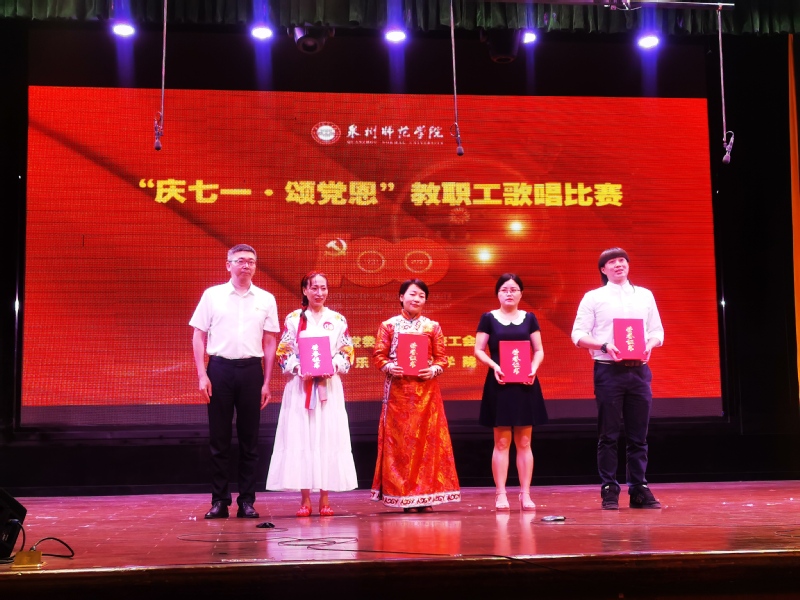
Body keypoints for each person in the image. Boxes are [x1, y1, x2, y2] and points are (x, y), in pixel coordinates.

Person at [190, 244, 279, 519]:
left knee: (249, 440)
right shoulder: (212, 295)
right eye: (240, 260)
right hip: (219, 369)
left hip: (251, 371)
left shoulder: (266, 298)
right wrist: (202, 374)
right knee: (219, 439)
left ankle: (247, 501)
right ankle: (219, 501)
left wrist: (266, 381)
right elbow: (198, 335)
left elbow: (270, 341)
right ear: (228, 265)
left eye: (251, 261)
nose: (246, 265)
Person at [571, 248, 664, 510]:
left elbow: (657, 331)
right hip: (608, 371)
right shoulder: (593, 297)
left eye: (622, 260)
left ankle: (639, 488)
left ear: (628, 265)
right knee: (608, 434)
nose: (618, 265)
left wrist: (649, 345)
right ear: (604, 270)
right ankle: (609, 489)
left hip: (639, 371)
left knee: (638, 436)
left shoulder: (645, 295)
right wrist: (604, 345)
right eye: (611, 262)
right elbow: (578, 335)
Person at [266, 272, 358, 517]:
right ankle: (305, 499)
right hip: (301, 386)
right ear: (304, 291)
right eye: (314, 288)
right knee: (302, 438)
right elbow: (284, 351)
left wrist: (333, 366)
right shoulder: (294, 319)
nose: (319, 293)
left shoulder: (337, 319)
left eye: (323, 288)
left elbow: (347, 351)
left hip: (329, 386)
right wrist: (299, 368)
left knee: (327, 437)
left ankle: (325, 498)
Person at [371, 279, 461, 512]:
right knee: (401, 445)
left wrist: (433, 370)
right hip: (398, 394)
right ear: (401, 297)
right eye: (412, 294)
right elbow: (378, 355)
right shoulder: (388, 326)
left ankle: (426, 496)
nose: (416, 299)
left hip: (427, 394)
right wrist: (390, 367)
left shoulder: (432, 327)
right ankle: (404, 497)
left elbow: (442, 358)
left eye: (421, 295)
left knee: (427, 443)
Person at [474, 273, 548, 512]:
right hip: (500, 383)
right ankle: (501, 494)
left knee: (525, 442)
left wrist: (533, 368)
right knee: (502, 442)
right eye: (504, 289)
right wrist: (494, 365)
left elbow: (539, 350)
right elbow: (478, 350)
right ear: (498, 293)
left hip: (525, 383)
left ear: (520, 294)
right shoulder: (488, 318)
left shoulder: (530, 318)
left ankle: (525, 494)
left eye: (514, 289)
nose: (509, 293)